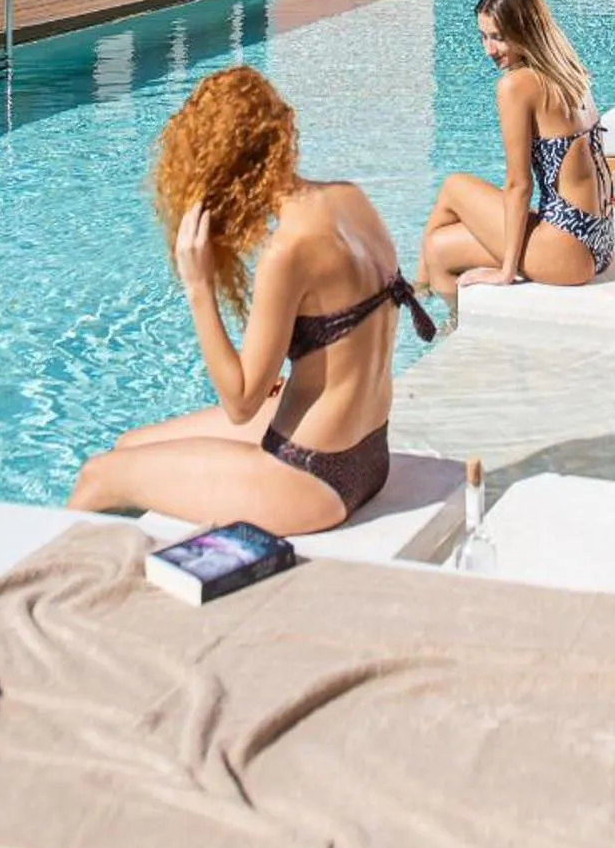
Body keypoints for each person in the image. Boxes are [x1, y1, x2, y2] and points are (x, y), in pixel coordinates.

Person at [70, 65, 435, 532]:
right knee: (129, 445)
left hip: (310, 477)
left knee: (98, 475)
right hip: (369, 458)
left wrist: (199, 287)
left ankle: (38, 570)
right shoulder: (351, 199)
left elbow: (241, 403)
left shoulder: (288, 251)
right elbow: (343, 337)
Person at [416, 0, 615, 300]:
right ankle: (423, 296)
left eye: (498, 37)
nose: (489, 50)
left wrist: (505, 272)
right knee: (437, 245)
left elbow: (519, 185)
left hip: (568, 249)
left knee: (452, 192)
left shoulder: (517, 85)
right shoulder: (570, 73)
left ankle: (421, 303)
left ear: (525, 31)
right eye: (483, 37)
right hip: (598, 240)